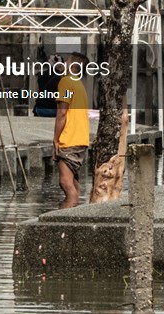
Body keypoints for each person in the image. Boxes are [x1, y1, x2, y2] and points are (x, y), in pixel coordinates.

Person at [53, 52, 91, 209]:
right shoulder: (78, 84)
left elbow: (62, 113)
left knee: (65, 182)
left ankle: (69, 214)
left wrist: (56, 139)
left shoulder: (66, 82)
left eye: (67, 62)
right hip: (81, 138)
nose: (64, 65)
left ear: (72, 66)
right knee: (73, 181)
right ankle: (76, 209)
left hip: (70, 139)